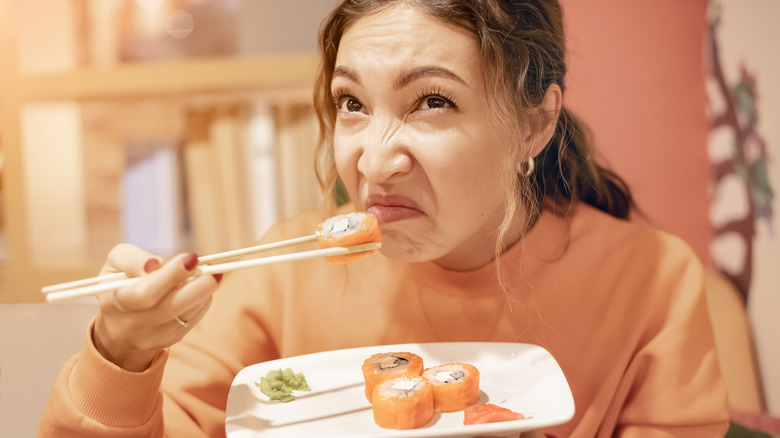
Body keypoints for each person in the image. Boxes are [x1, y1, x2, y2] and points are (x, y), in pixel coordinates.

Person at [39, 0, 730, 437]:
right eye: (351, 104)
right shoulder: (281, 275)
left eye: (432, 101)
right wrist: (122, 354)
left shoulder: (653, 283)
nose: (372, 162)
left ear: (534, 123)